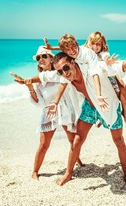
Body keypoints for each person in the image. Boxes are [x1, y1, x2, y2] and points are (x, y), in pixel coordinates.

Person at [42, 42, 126, 189]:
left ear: (72, 62)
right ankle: (68, 173)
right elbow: (44, 76)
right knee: (77, 140)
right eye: (60, 71)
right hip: (90, 107)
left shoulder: (92, 68)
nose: (64, 73)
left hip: (108, 107)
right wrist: (33, 86)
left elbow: (121, 66)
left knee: (119, 140)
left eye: (65, 68)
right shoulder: (65, 76)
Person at [10, 46, 83, 180]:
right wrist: (30, 87)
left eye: (44, 56)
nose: (41, 59)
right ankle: (35, 171)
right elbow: (39, 103)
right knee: (44, 144)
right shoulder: (37, 81)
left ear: (51, 58)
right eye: (38, 58)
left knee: (73, 140)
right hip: (49, 112)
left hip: (66, 110)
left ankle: (76, 161)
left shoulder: (61, 72)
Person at [85, 31, 126, 131]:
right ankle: (123, 115)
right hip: (97, 81)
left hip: (109, 76)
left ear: (102, 45)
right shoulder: (85, 52)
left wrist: (109, 62)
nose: (95, 46)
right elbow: (72, 48)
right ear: (89, 43)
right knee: (115, 94)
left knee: (123, 89)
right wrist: (53, 48)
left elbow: (107, 59)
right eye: (93, 43)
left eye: (98, 44)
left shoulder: (103, 53)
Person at [43, 34, 109, 114]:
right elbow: (63, 80)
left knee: (120, 86)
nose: (72, 51)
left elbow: (95, 73)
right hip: (88, 95)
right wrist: (55, 102)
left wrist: (99, 94)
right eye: (68, 50)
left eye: (73, 47)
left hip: (103, 72)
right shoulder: (69, 56)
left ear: (77, 44)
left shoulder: (86, 53)